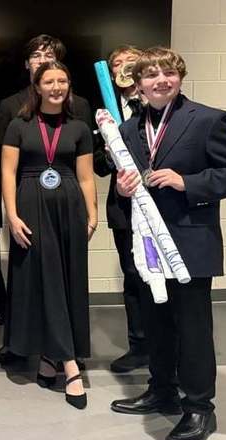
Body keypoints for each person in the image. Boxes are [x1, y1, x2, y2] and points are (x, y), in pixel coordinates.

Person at [110, 47, 226, 440]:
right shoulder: (128, 129)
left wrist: (187, 183)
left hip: (190, 240)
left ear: (180, 77)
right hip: (147, 245)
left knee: (192, 329)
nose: (160, 80)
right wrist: (123, 188)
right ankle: (162, 392)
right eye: (151, 75)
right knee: (156, 324)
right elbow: (128, 180)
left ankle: (198, 408)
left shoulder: (208, 120)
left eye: (168, 73)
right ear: (137, 85)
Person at [1, 61, 97, 410]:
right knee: (43, 280)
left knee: (67, 281)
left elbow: (86, 176)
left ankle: (49, 359)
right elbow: (8, 173)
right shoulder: (18, 125)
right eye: (49, 81)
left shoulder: (79, 127)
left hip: (69, 208)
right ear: (37, 87)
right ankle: (69, 364)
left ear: (68, 86)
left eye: (62, 80)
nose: (56, 87)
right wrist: (11, 214)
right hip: (29, 204)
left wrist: (93, 213)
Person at [96, 45, 151, 373]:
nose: (123, 68)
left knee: (164, 275)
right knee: (132, 275)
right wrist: (108, 151)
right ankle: (140, 345)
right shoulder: (105, 112)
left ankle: (169, 343)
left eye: (129, 62)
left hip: (160, 203)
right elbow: (102, 168)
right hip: (123, 206)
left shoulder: (157, 104)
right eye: (116, 64)